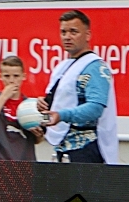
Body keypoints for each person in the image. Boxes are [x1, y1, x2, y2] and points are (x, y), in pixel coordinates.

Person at [40, 10, 118, 163]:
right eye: (63, 32)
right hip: (63, 149)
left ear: (88, 35)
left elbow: (96, 107)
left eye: (73, 32)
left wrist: (62, 115)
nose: (67, 37)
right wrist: (41, 105)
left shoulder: (95, 67)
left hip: (87, 150)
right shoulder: (62, 67)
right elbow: (56, 102)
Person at [0, 55, 41, 161]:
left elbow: (36, 140)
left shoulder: (30, 105)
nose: (12, 80)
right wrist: (4, 96)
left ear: (24, 76)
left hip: (23, 162)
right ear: (0, 77)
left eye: (16, 76)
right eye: (7, 76)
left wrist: (39, 135)